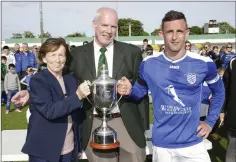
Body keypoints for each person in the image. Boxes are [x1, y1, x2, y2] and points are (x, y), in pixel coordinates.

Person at [12, 7, 148, 162]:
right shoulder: (76, 55)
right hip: (92, 120)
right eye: (104, 25)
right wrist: (31, 94)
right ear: (94, 25)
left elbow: (143, 87)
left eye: (113, 26)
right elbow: (58, 79)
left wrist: (131, 90)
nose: (109, 31)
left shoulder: (132, 52)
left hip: (126, 122)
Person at [117, 10, 225, 162]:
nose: (174, 37)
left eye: (179, 31)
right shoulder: (148, 64)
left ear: (186, 33)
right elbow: (139, 92)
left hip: (193, 145)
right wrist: (128, 90)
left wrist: (209, 122)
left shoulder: (204, 63)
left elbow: (219, 92)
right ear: (162, 34)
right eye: (170, 32)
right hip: (163, 147)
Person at [21, 38, 91, 162]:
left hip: (68, 149)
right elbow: (50, 111)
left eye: (61, 55)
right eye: (52, 55)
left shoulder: (71, 80)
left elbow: (77, 113)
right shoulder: (38, 80)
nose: (57, 60)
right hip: (43, 150)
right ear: (44, 58)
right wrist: (77, 96)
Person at [220, 57, 236, 162]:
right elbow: (225, 89)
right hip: (234, 117)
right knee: (232, 150)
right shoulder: (233, 62)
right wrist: (222, 110)